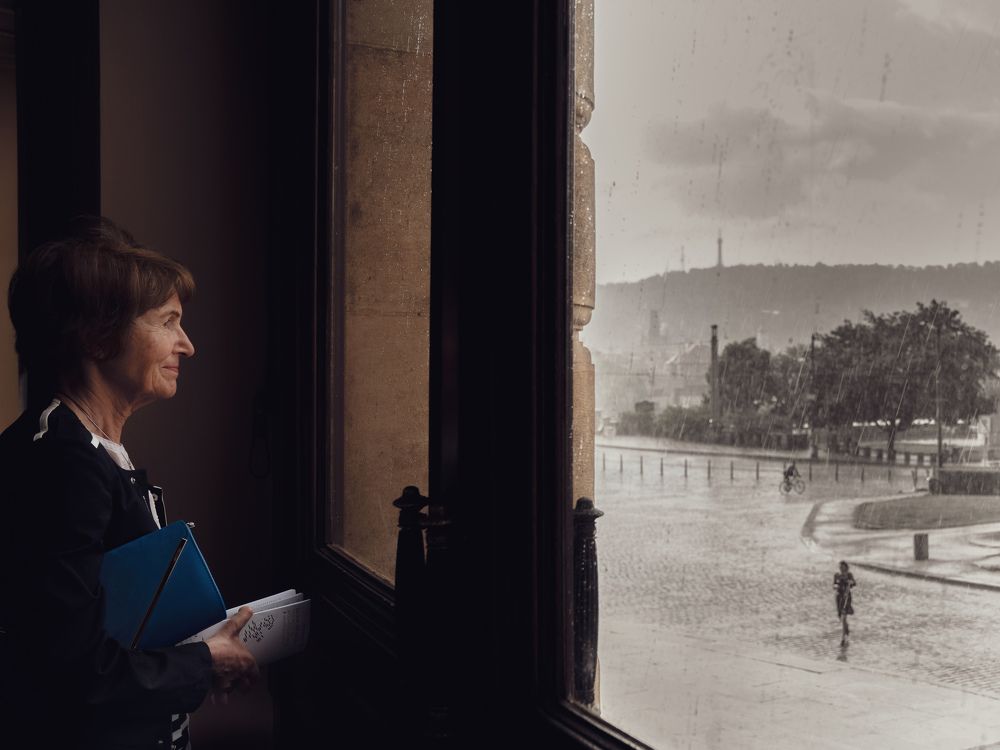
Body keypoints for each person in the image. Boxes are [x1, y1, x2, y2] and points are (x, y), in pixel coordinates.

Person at [0, 217, 259, 749]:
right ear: (97, 337)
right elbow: (76, 672)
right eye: (168, 322)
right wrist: (203, 661)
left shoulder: (88, 448)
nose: (187, 345)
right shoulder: (62, 464)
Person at [834, 560, 856, 646]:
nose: (841, 569)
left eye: (843, 567)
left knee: (844, 616)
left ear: (846, 567)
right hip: (839, 598)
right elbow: (834, 584)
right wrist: (835, 586)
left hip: (846, 597)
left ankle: (843, 638)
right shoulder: (837, 575)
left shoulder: (849, 575)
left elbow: (854, 583)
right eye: (840, 567)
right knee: (841, 616)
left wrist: (851, 582)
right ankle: (846, 628)